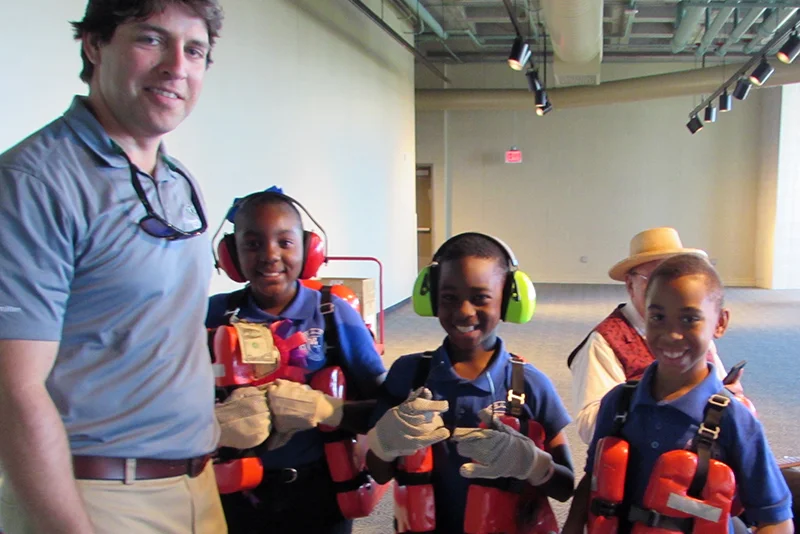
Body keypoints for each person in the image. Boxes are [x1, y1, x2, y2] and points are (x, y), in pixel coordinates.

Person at [0, 1, 226, 533]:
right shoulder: (34, 183)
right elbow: (12, 390)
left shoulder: (178, 180)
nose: (176, 66)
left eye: (194, 50)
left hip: (196, 485)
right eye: (152, 39)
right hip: (96, 494)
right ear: (95, 44)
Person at [563, 254, 793, 534]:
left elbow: (776, 519)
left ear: (720, 323)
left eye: (689, 319)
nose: (671, 334)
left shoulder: (735, 421)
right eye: (658, 317)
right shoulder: (618, 403)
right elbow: (593, 479)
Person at [366, 233, 575, 534]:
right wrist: (384, 444)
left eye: (480, 298)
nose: (464, 311)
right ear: (431, 298)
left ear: (508, 302)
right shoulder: (408, 374)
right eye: (449, 297)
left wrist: (532, 463)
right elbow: (379, 473)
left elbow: (565, 487)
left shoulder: (531, 384)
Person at [205, 189, 387, 534]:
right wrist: (214, 422)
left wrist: (327, 409)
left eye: (284, 242)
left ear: (308, 250)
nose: (269, 255)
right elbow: (172, 404)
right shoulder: (213, 315)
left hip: (319, 493)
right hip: (235, 496)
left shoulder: (332, 314)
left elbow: (385, 410)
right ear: (231, 254)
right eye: (252, 244)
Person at [568, 227, 743, 445]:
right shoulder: (604, 342)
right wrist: (657, 400)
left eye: (676, 277)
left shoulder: (694, 332)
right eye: (654, 278)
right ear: (630, 285)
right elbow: (590, 426)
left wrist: (729, 395)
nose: (669, 288)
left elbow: (716, 382)